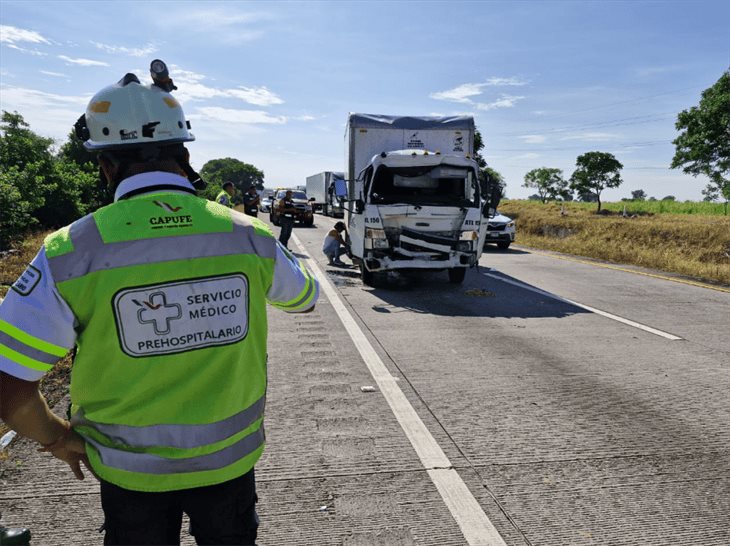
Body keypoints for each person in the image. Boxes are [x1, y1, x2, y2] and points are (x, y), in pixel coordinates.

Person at [0, 62, 319, 546]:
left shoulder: (70, 251)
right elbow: (306, 300)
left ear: (107, 165)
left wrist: (57, 438)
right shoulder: (246, 235)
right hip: (230, 463)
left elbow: (10, 385)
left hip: (130, 476)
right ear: (184, 153)